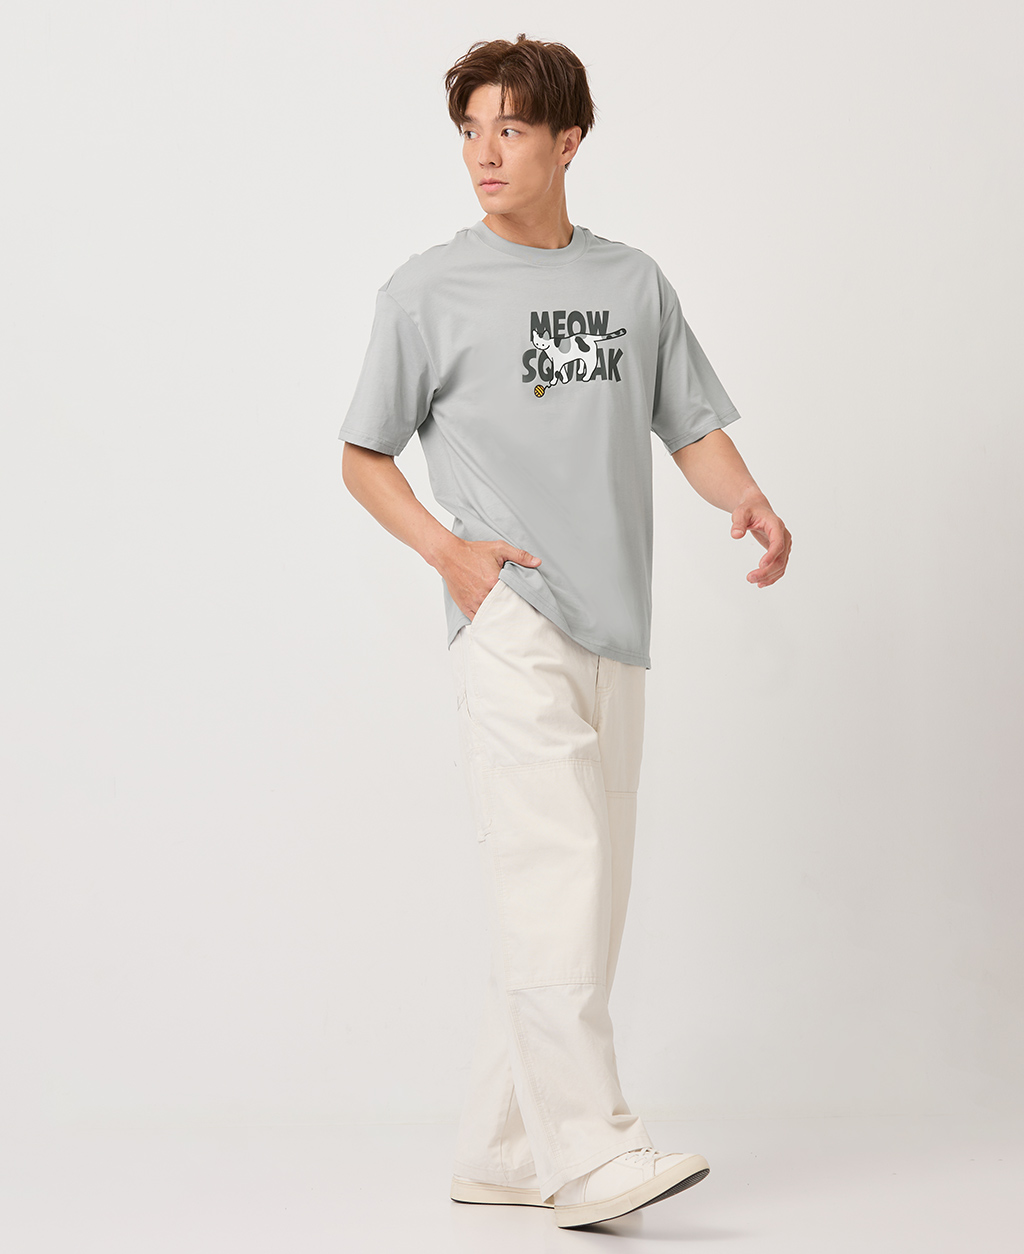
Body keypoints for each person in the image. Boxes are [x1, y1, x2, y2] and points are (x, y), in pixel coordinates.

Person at [338, 33, 792, 1230]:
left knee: (589, 898)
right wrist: (450, 554)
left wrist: (745, 495)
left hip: (616, 628)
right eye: (469, 132)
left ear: (567, 140)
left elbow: (687, 423)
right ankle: (591, 1155)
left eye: (510, 129)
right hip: (510, 620)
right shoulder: (426, 292)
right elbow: (362, 455)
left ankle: (500, 1147)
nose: (484, 153)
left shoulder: (633, 284)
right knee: (557, 875)